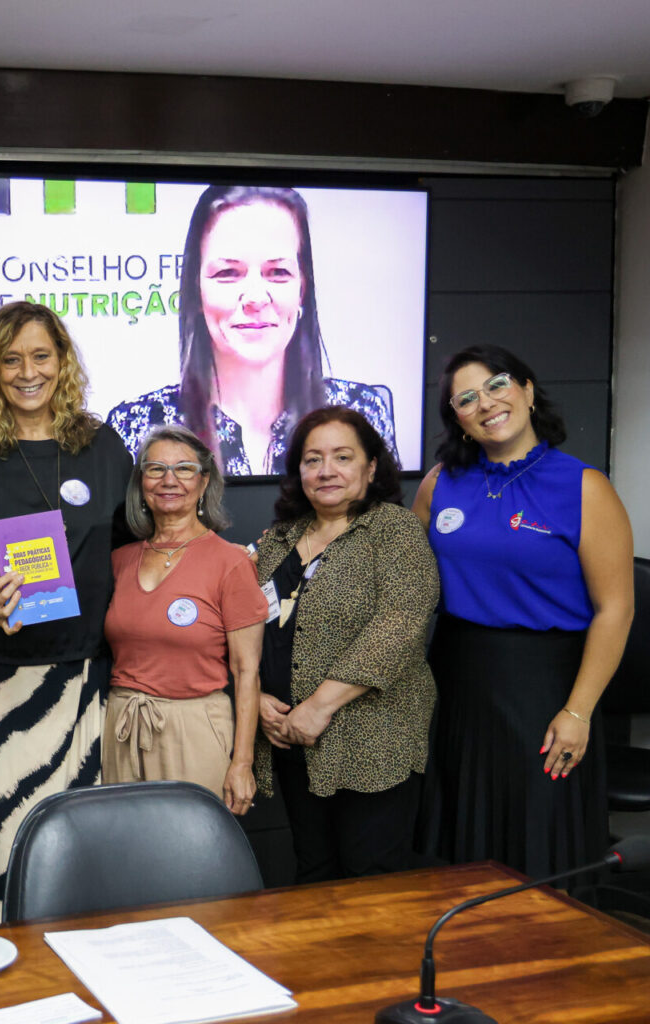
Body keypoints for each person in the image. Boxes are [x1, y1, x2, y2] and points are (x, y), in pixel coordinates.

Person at [0, 300, 133, 922]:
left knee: (74, 838)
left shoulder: (103, 445)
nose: (28, 371)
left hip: (82, 677)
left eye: (41, 355)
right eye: (10, 359)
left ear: (63, 361)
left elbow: (133, 546)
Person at [415, 346, 632, 880]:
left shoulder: (584, 487)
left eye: (497, 384)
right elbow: (400, 578)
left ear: (528, 391)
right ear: (458, 421)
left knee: (537, 843)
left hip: (544, 691)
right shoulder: (440, 483)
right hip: (457, 683)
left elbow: (616, 609)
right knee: (460, 846)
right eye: (466, 399)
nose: (485, 403)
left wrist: (577, 712)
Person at [254, 406, 435, 882]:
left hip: (372, 739)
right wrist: (256, 698)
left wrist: (318, 706)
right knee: (313, 870)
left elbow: (399, 624)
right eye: (313, 459)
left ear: (371, 467)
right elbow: (242, 624)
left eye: (342, 457)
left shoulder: (393, 530)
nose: (326, 470)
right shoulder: (277, 540)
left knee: (369, 879)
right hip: (291, 737)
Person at [106, 185, 397, 476]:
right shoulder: (136, 426)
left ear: (302, 287)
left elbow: (392, 514)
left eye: (278, 272)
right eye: (228, 273)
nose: (256, 297)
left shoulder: (361, 412)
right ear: (195, 290)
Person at [103, 426, 265, 814]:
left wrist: (242, 763)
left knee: (194, 863)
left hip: (194, 730)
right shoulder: (120, 560)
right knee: (125, 858)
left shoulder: (231, 563)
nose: (169, 480)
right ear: (141, 481)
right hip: (123, 725)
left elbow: (247, 672)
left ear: (204, 480)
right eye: (155, 468)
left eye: (184, 469)